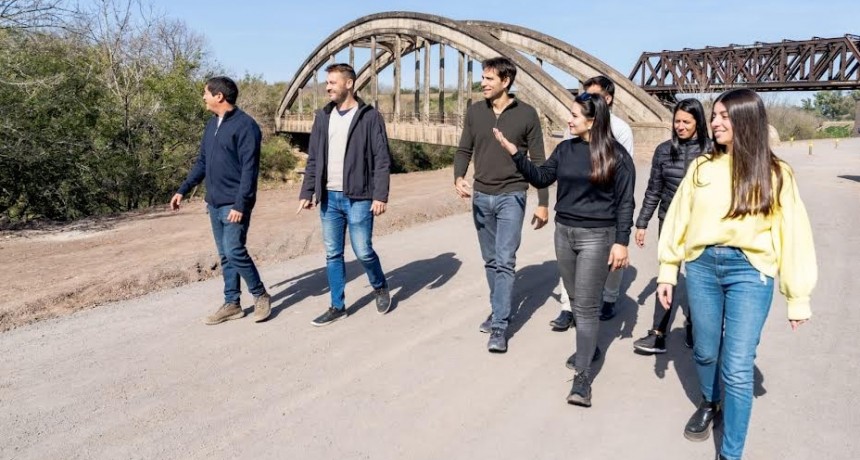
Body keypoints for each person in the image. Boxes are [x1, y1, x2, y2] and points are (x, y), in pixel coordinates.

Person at [656, 89, 817, 460]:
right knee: (705, 352)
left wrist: (798, 296)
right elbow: (678, 219)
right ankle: (710, 402)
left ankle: (731, 454)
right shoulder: (701, 167)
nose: (715, 123)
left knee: (738, 367)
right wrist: (668, 270)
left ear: (747, 120)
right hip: (701, 267)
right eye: (714, 116)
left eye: (724, 116)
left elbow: (793, 234)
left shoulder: (776, 172)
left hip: (751, 272)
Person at [494, 92, 635, 407]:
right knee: (574, 298)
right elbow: (542, 177)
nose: (568, 120)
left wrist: (621, 242)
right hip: (564, 233)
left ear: (592, 121)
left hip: (597, 237)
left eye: (574, 115)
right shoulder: (565, 149)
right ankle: (590, 346)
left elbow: (626, 202)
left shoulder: (617, 155)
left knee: (585, 306)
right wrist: (516, 154)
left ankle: (582, 380)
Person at [454, 56, 550, 353]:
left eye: (489, 78)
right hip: (481, 196)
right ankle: (499, 309)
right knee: (491, 260)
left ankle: (499, 325)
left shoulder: (527, 114)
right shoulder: (475, 112)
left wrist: (543, 202)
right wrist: (458, 176)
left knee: (505, 260)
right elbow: (464, 149)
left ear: (505, 81)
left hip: (512, 194)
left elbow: (539, 161)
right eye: (483, 77)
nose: (483, 83)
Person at [170, 76, 272, 325]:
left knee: (235, 251)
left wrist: (241, 204)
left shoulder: (246, 126)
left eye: (206, 92)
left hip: (234, 203)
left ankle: (260, 294)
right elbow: (203, 162)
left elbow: (249, 170)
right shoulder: (211, 124)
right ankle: (232, 304)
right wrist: (183, 189)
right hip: (214, 203)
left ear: (219, 96)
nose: (203, 97)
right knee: (225, 255)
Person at [297, 63, 392, 326]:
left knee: (363, 251)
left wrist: (380, 195)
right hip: (329, 197)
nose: (327, 87)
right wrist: (308, 190)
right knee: (332, 254)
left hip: (359, 196)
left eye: (332, 82)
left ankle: (380, 286)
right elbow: (314, 158)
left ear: (349, 84)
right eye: (327, 82)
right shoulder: (323, 116)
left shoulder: (369, 117)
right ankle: (337, 306)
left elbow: (381, 159)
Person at [549, 75, 635, 331]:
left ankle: (609, 298)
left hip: (603, 215)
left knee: (610, 261)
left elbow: (623, 181)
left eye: (593, 95)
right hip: (572, 215)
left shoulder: (620, 130)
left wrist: (622, 238)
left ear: (607, 99)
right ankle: (568, 307)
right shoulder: (575, 126)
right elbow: (565, 160)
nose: (587, 98)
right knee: (570, 266)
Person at [632, 98, 711, 354]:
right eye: (677, 121)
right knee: (667, 274)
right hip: (669, 221)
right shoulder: (664, 150)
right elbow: (654, 189)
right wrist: (642, 222)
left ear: (698, 122)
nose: (680, 126)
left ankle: (695, 327)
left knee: (699, 278)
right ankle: (658, 333)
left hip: (703, 225)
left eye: (686, 121)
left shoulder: (713, 150)